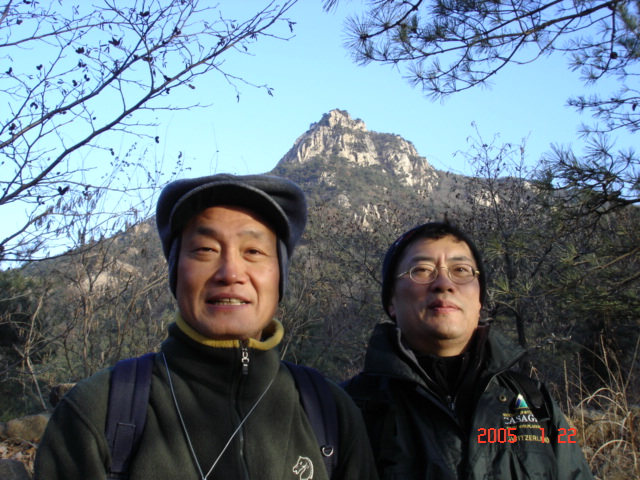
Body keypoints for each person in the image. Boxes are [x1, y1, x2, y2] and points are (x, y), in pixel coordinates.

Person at [35, 173, 378, 480]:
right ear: (176, 272)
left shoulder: (329, 412)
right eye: (205, 249)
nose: (230, 273)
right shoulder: (99, 410)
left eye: (253, 251)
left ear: (280, 277)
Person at [343, 221, 594, 479]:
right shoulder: (345, 409)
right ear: (391, 301)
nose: (443, 283)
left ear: (479, 300)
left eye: (461, 270)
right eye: (422, 270)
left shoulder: (535, 403)